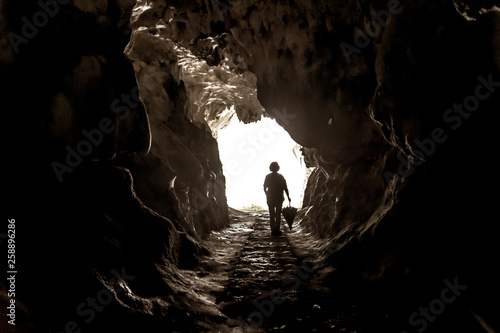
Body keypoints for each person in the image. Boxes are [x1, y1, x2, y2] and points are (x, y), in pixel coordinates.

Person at [263, 162, 291, 236]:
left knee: (271, 214)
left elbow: (264, 187)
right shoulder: (280, 176)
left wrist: (267, 194)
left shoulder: (268, 176)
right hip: (279, 197)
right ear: (278, 168)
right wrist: (288, 197)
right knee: (278, 214)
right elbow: (285, 187)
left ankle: (273, 230)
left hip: (270, 198)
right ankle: (277, 230)